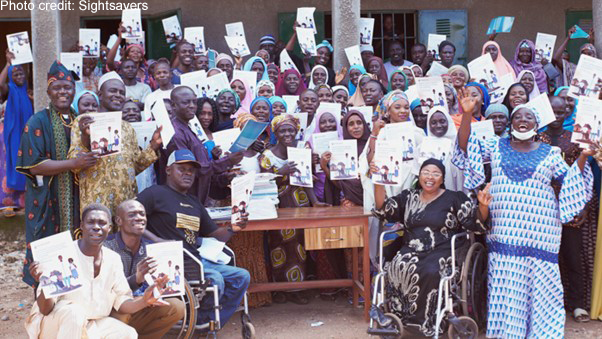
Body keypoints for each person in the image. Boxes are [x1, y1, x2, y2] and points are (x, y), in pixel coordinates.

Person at [455, 99, 595, 337]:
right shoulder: (495, 145)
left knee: (542, 286)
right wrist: (467, 115)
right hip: (505, 230)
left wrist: (583, 157)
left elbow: (570, 180)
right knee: (507, 285)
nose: (522, 121)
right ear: (510, 123)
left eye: (528, 117)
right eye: (518, 117)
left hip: (542, 232)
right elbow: (466, 145)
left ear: (537, 124)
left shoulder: (551, 153)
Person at [371, 158, 488, 336]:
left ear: (442, 179)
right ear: (419, 175)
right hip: (410, 249)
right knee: (394, 266)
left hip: (443, 250)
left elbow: (475, 223)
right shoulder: (408, 197)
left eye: (436, 173)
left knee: (431, 270)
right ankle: (400, 318)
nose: (430, 177)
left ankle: (427, 323)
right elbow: (384, 209)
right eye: (426, 172)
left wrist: (483, 206)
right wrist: (378, 181)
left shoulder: (454, 198)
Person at [138, 149, 251, 325]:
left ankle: (208, 322)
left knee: (242, 276)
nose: (188, 173)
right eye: (181, 169)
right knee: (215, 279)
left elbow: (216, 235)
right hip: (171, 262)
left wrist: (233, 227)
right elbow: (128, 217)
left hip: (195, 261)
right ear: (168, 170)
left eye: (191, 170)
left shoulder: (194, 202)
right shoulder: (154, 194)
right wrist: (156, 241)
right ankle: (197, 323)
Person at [25, 203, 170, 339]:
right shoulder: (63, 254)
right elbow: (45, 309)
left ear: (109, 228)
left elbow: (122, 300)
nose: (96, 227)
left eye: (102, 223)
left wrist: (144, 301)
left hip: (90, 323)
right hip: (54, 325)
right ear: (82, 226)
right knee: (74, 313)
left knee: (128, 334)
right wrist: (46, 285)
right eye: (91, 222)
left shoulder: (113, 259)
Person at [17, 61, 98, 287]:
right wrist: (74, 163)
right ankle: (44, 301)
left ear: (75, 91)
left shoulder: (81, 121)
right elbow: (34, 166)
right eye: (57, 87)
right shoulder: (38, 121)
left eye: (68, 87)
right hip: (48, 197)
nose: (63, 92)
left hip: (77, 196)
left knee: (79, 247)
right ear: (48, 91)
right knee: (46, 250)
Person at [68, 71, 161, 219]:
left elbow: (134, 166)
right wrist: (86, 136)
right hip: (97, 200)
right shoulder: (84, 121)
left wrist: (154, 146)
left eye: (121, 92)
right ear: (100, 94)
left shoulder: (128, 127)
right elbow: (75, 163)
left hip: (126, 201)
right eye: (113, 90)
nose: (118, 94)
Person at [538, 95, 599, 322]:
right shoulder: (536, 138)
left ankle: (577, 305)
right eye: (553, 111)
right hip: (542, 207)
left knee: (573, 255)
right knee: (547, 257)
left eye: (562, 112)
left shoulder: (574, 139)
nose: (557, 116)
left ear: (567, 114)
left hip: (569, 204)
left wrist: (582, 203)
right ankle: (550, 304)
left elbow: (583, 174)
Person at [259, 114, 327, 304]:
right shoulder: (267, 155)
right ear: (276, 133)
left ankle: (298, 289)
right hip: (277, 207)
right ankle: (279, 289)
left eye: (291, 130)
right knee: (277, 246)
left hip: (299, 205)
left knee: (298, 247)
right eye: (283, 130)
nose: (287, 133)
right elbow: (264, 182)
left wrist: (315, 201)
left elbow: (307, 180)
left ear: (297, 131)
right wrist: (281, 173)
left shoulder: (302, 148)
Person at [104, 200, 186, 337]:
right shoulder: (107, 248)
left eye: (142, 214)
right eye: (132, 214)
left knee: (177, 307)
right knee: (123, 314)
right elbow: (107, 291)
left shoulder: (153, 249)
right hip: (114, 309)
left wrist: (167, 284)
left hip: (143, 303)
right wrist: (136, 279)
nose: (139, 217)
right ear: (119, 220)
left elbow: (162, 286)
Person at [167, 86, 242, 205]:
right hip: (184, 203)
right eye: (186, 102)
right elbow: (189, 170)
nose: (192, 106)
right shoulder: (176, 133)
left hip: (197, 201)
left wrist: (224, 178)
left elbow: (203, 167)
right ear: (173, 105)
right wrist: (227, 161)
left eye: (194, 102)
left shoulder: (188, 129)